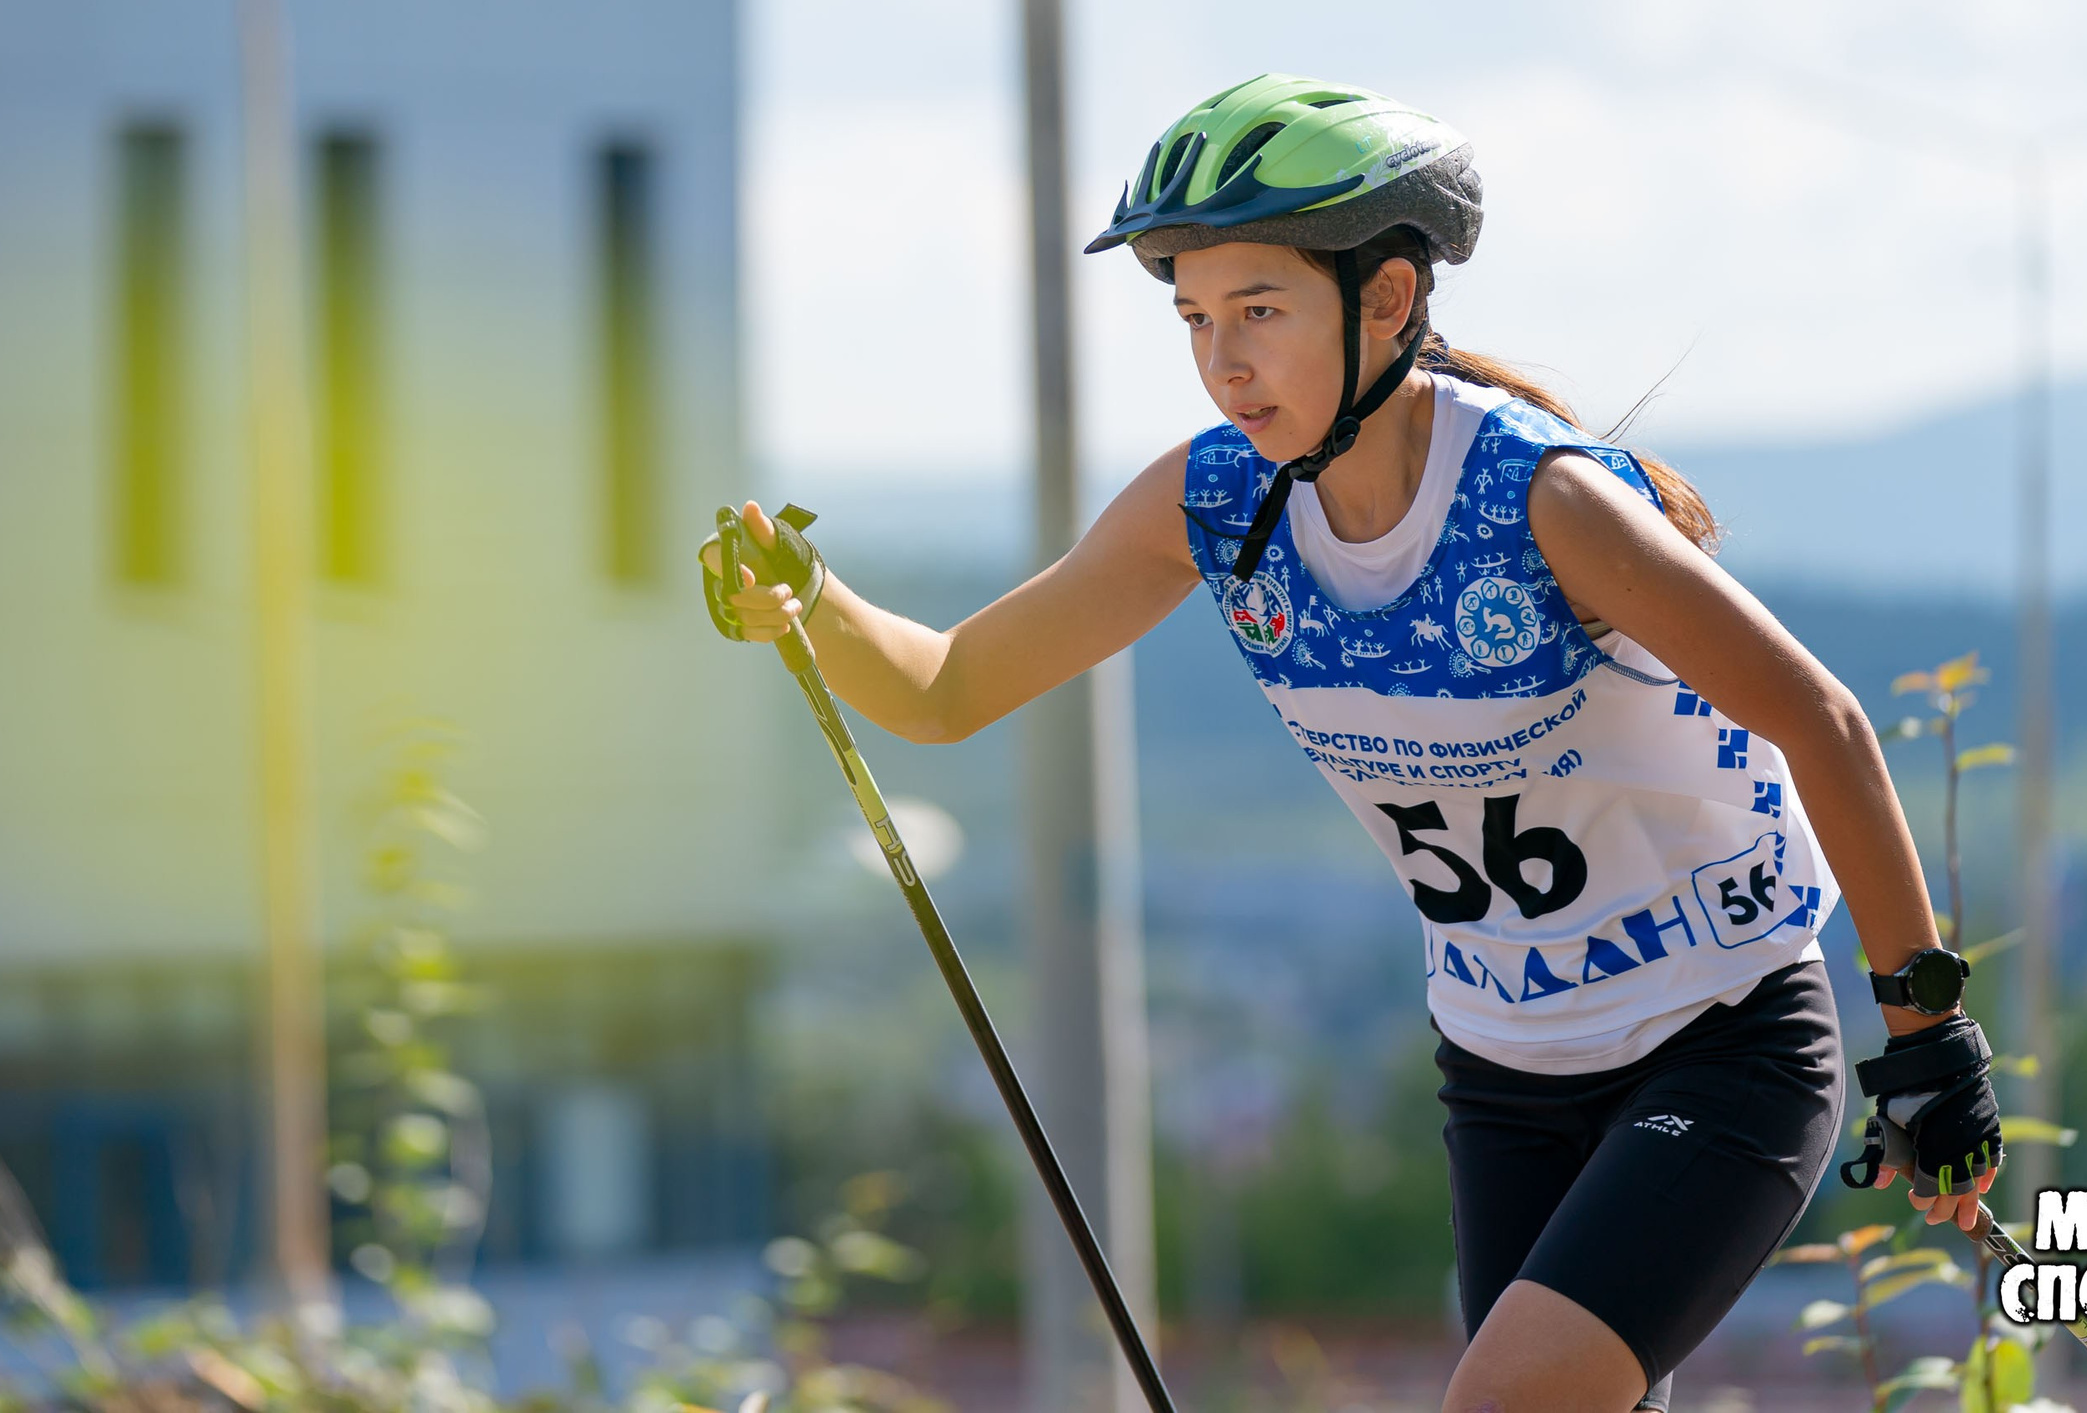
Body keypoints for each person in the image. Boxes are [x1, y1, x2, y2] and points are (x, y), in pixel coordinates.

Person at [702, 74, 2003, 1413]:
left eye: (1260, 310)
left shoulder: (1543, 503)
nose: (1222, 361)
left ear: (1386, 299)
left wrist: (1926, 1035)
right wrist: (812, 602)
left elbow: (1822, 720)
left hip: (1718, 1036)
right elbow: (947, 688)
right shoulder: (1212, 506)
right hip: (1503, 1068)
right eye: (1195, 319)